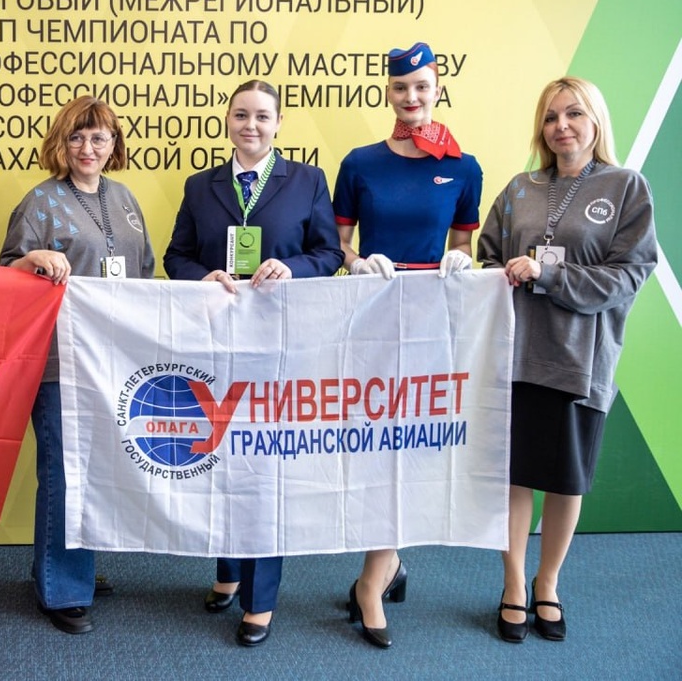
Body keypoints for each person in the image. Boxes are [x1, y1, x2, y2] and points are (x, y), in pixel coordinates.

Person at [163, 79, 343, 646]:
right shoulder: (201, 186)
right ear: (228, 120)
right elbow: (175, 256)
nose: (251, 125)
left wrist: (294, 268)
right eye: (241, 115)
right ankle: (227, 572)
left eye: (263, 116)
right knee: (220, 457)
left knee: (265, 468)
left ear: (279, 123)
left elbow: (329, 254)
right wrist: (203, 276)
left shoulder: (308, 180)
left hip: (280, 346)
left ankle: (260, 600)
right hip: (217, 344)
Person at [478, 77, 655, 643]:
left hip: (581, 362)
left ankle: (547, 582)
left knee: (565, 481)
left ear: (595, 120)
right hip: (515, 356)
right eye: (551, 117)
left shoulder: (626, 187)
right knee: (513, 478)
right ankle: (512, 583)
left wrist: (549, 274)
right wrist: (499, 273)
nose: (562, 127)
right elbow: (487, 257)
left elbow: (629, 275)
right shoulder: (520, 188)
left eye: (574, 114)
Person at [331, 42, 484, 649]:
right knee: (372, 443)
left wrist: (459, 260)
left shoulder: (464, 167)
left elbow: (463, 245)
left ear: (437, 88)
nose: (411, 96)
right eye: (401, 87)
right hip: (369, 318)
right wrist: (356, 261)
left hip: (428, 324)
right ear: (388, 93)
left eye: (421, 86)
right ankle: (385, 567)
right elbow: (337, 242)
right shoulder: (360, 163)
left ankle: (374, 576)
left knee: (409, 445)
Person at [0, 96, 155, 635]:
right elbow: (7, 273)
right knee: (63, 474)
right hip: (59, 362)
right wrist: (32, 259)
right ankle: (61, 589)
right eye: (77, 137)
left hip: (115, 363)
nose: (88, 148)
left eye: (99, 138)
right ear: (61, 143)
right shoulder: (40, 202)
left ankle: (70, 568)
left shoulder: (125, 198)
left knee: (97, 475)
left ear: (114, 145)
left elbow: (144, 272)